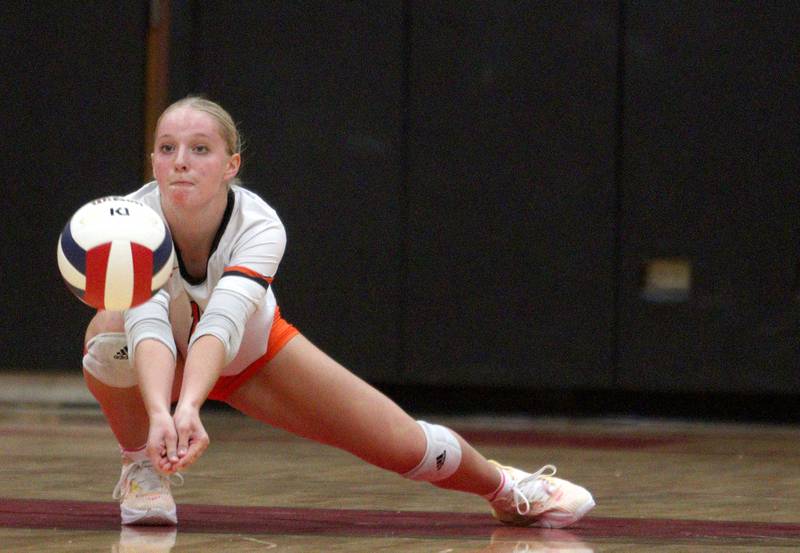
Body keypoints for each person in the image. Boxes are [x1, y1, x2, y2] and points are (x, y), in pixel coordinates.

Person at [81, 96, 596, 529]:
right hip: (161, 363)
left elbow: (223, 321)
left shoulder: (261, 224)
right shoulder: (128, 222)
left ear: (231, 164)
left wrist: (188, 408)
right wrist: (159, 414)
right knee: (108, 335)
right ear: (152, 160)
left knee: (404, 446)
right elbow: (147, 323)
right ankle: (142, 469)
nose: (181, 162)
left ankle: (508, 489)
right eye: (168, 149)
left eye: (200, 149)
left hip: (253, 357)